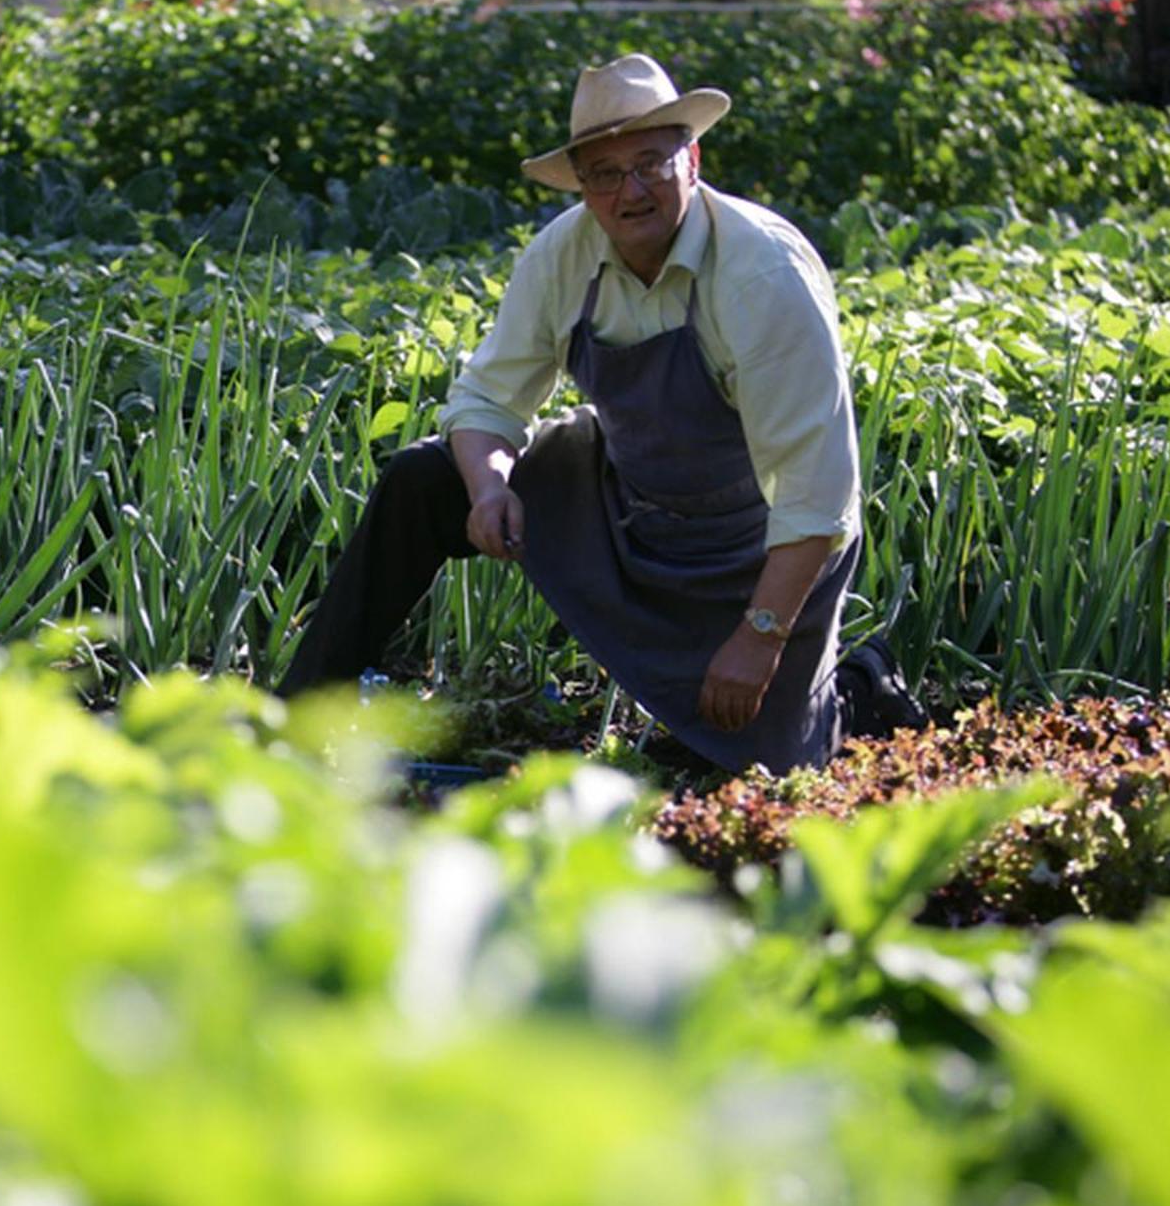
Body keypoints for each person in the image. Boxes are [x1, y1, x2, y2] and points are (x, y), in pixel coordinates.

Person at [277, 53, 878, 773]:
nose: (631, 192)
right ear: (583, 185)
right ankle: (296, 726)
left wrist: (760, 636)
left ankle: (858, 689)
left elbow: (818, 495)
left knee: (758, 774)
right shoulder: (564, 252)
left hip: (755, 551)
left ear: (693, 159)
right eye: (605, 173)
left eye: (651, 163)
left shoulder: (761, 274)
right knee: (423, 479)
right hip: (627, 505)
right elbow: (487, 401)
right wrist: (490, 486)